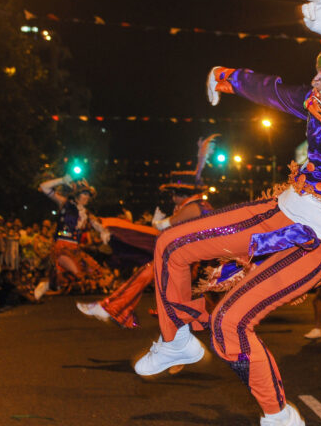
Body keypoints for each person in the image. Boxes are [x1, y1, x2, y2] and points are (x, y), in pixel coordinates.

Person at [134, 0, 321, 423]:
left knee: (227, 325)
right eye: (317, 72)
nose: (316, 81)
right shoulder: (314, 103)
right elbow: (270, 89)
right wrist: (225, 76)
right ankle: (175, 337)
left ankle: (279, 416)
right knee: (171, 246)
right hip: (286, 210)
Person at [77, 140, 216, 327]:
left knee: (153, 275)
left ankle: (112, 307)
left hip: (192, 264)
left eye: (174, 193)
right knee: (148, 275)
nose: (172, 197)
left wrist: (156, 222)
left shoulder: (193, 207)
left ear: (181, 193)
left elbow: (165, 227)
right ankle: (111, 308)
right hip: (185, 262)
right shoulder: (194, 204)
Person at [36, 174, 111, 299]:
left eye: (88, 194)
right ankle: (49, 282)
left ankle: (49, 283)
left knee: (93, 273)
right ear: (77, 195)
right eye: (84, 194)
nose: (87, 197)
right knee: (77, 273)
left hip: (75, 249)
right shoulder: (65, 204)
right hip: (62, 247)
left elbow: (99, 226)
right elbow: (43, 187)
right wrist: (61, 180)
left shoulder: (87, 213)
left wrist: (104, 232)